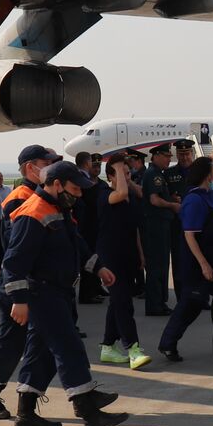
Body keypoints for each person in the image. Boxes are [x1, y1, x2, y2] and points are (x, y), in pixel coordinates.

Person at [5, 161, 128, 426]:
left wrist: (99, 267)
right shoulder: (32, 214)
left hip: (58, 292)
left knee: (41, 355)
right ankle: (88, 410)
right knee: (68, 346)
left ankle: (25, 414)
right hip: (42, 293)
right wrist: (19, 300)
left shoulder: (58, 210)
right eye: (75, 189)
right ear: (56, 184)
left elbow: (78, 245)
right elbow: (14, 263)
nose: (80, 194)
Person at [0, 145, 60, 421]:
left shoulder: (42, 195)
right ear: (29, 168)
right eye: (46, 163)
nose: (51, 167)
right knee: (11, 342)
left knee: (41, 344)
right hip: (18, 286)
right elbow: (16, 249)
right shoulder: (19, 198)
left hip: (39, 286)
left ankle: (28, 399)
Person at [158, 157, 213, 364]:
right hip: (199, 264)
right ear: (207, 176)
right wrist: (204, 264)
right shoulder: (194, 200)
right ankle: (168, 343)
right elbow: (190, 235)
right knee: (191, 304)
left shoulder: (208, 196)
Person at [95, 158, 152, 370]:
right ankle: (133, 349)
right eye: (121, 173)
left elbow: (134, 228)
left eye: (129, 173)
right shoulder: (105, 195)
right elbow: (120, 193)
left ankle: (108, 347)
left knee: (118, 301)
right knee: (123, 302)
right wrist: (117, 166)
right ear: (110, 176)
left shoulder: (131, 199)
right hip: (110, 257)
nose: (126, 177)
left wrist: (140, 254)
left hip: (128, 255)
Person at [141, 144, 180, 316]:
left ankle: (160, 302)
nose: (169, 159)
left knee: (162, 265)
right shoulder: (154, 175)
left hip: (161, 224)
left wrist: (169, 198)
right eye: (166, 155)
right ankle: (155, 305)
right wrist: (172, 205)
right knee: (157, 266)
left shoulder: (158, 174)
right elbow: (154, 200)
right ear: (156, 156)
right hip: (156, 225)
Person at [73, 152, 106, 305]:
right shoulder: (83, 182)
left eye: (99, 166)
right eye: (94, 165)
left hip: (92, 226)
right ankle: (87, 294)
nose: (97, 168)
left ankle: (94, 288)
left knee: (94, 258)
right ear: (87, 164)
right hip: (87, 227)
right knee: (88, 260)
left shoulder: (99, 184)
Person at [165, 139, 195, 302]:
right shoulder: (169, 174)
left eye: (187, 154)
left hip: (197, 223)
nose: (184, 157)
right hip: (177, 224)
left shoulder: (200, 171)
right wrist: (170, 198)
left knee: (198, 260)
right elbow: (163, 195)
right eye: (181, 154)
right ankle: (181, 297)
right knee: (179, 261)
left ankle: (199, 296)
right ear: (176, 155)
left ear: (192, 153)